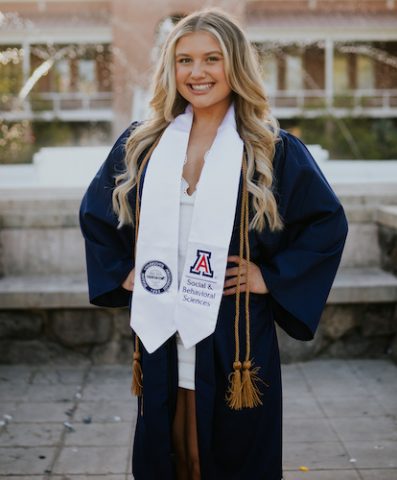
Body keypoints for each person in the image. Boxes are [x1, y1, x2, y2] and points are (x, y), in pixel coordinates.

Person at [79, 7, 348, 480]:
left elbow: (326, 224)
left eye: (212, 59)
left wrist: (271, 278)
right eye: (184, 60)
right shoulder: (143, 144)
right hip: (162, 325)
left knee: (222, 454)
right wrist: (123, 273)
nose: (197, 73)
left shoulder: (270, 149)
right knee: (172, 450)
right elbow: (96, 214)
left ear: (236, 65)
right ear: (170, 67)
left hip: (232, 330)